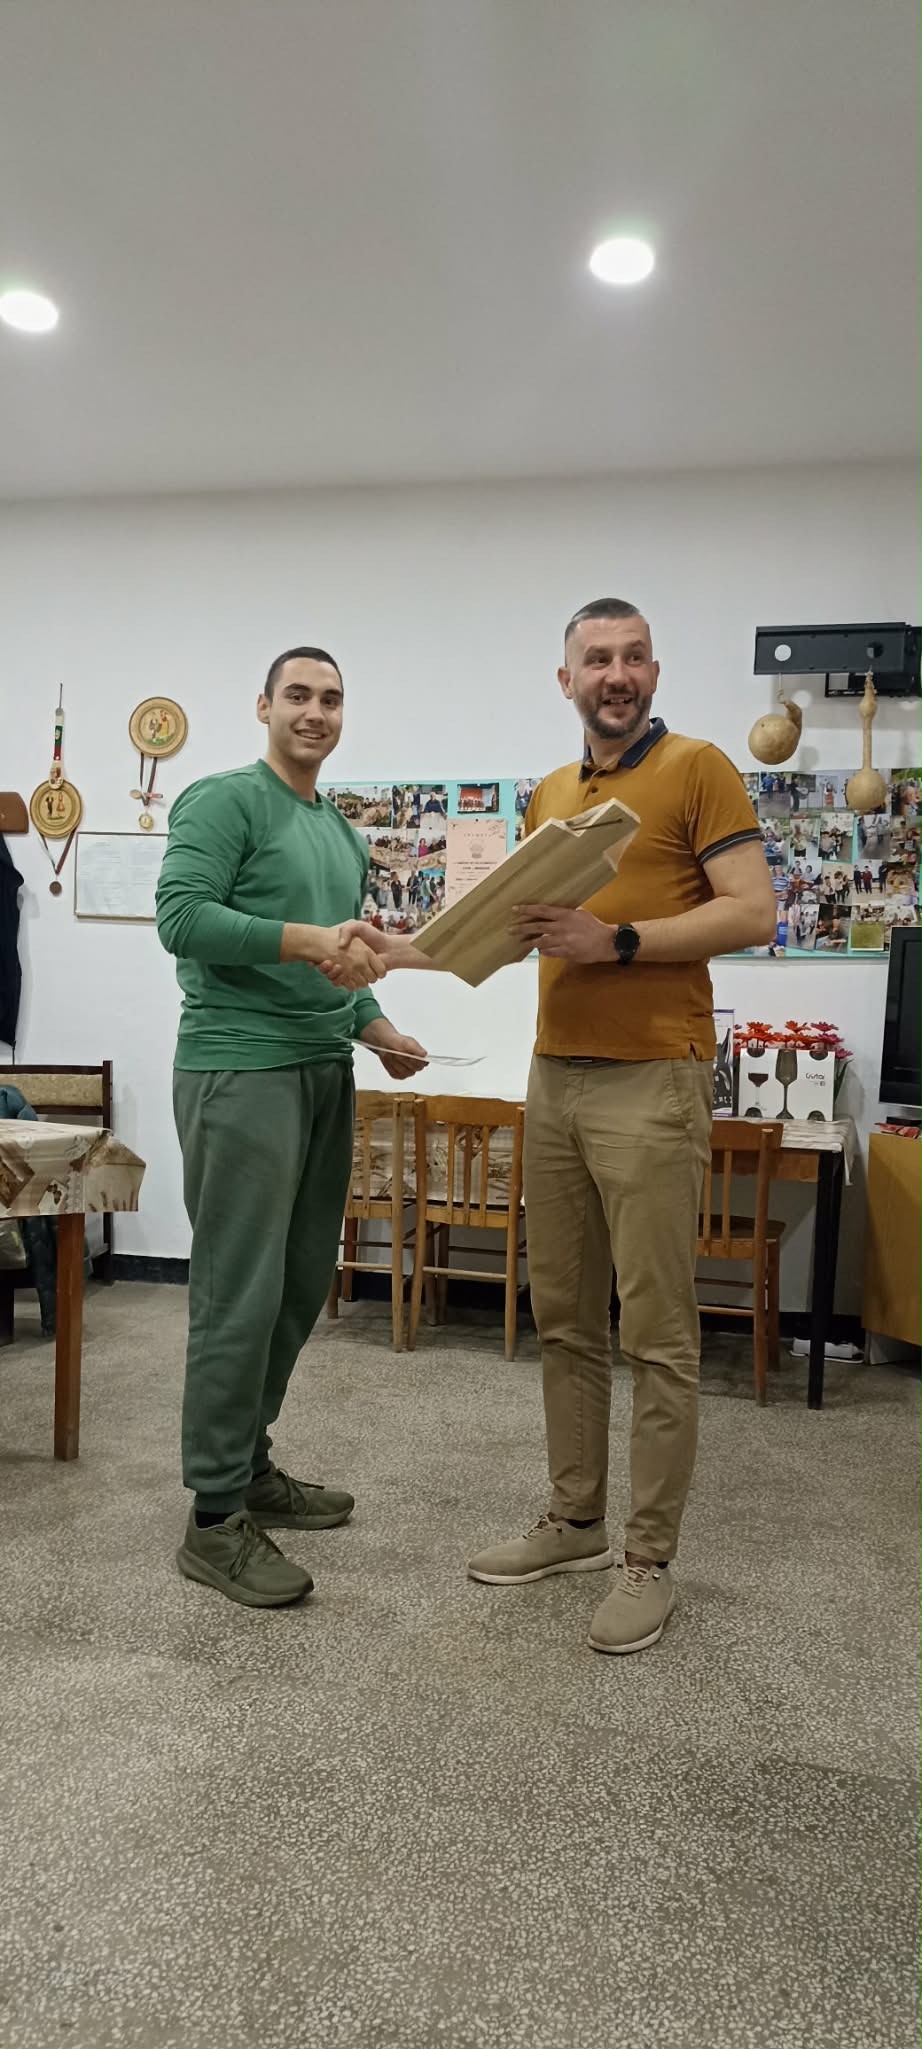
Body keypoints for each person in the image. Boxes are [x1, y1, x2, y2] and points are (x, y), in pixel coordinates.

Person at [466, 598, 775, 1655]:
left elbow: (753, 911)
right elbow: (514, 932)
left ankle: (648, 1558)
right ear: (567, 680)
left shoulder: (698, 769)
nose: (617, 673)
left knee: (657, 1333)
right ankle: (575, 1520)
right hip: (555, 1074)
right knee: (562, 1316)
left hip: (654, 1078)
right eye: (596, 658)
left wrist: (621, 940)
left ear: (653, 672)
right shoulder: (553, 794)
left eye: (633, 656)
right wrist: (402, 951)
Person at [156, 645, 429, 1609]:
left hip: (322, 1069)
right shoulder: (222, 800)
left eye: (332, 698)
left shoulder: (340, 834)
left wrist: (380, 1028)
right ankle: (213, 1518)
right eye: (299, 695)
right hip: (240, 1068)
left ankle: (250, 1463)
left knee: (300, 1283)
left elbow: (344, 968)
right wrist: (308, 940)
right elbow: (182, 918)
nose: (316, 711)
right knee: (237, 1293)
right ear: (264, 705)